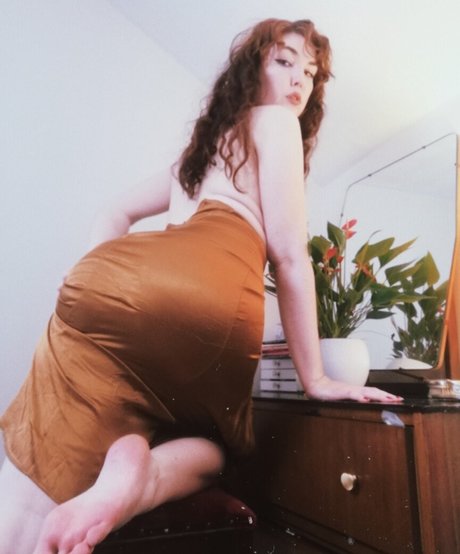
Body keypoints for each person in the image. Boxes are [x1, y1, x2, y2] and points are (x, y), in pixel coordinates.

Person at [0, 18, 402, 554]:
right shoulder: (276, 123)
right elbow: (288, 256)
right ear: (251, 69)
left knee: (64, 427)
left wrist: (89, 271)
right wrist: (317, 379)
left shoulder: (195, 159)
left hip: (113, 284)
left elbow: (114, 211)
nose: (299, 81)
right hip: (208, 294)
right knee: (215, 448)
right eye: (285, 61)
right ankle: (141, 481)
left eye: (310, 73)